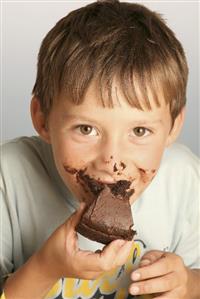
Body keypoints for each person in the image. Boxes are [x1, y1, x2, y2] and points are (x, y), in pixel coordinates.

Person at [1, 0, 199, 298]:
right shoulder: (9, 175)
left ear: (172, 127)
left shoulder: (183, 180)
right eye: (86, 129)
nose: (112, 160)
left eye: (139, 131)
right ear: (42, 119)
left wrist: (187, 285)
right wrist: (45, 268)